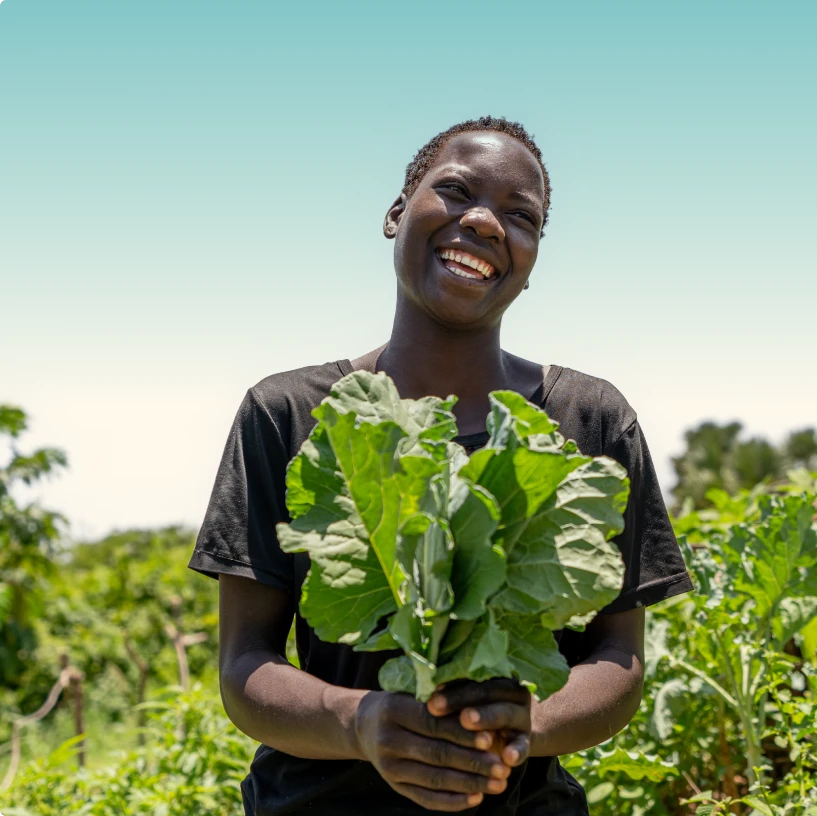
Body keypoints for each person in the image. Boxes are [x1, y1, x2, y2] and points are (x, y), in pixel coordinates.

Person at [188, 116, 694, 815]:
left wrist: (525, 727)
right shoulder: (287, 413)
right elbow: (244, 666)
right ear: (397, 213)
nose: (485, 222)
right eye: (455, 191)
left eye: (522, 217)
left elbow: (619, 662)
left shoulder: (590, 419)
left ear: (532, 257)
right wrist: (359, 721)